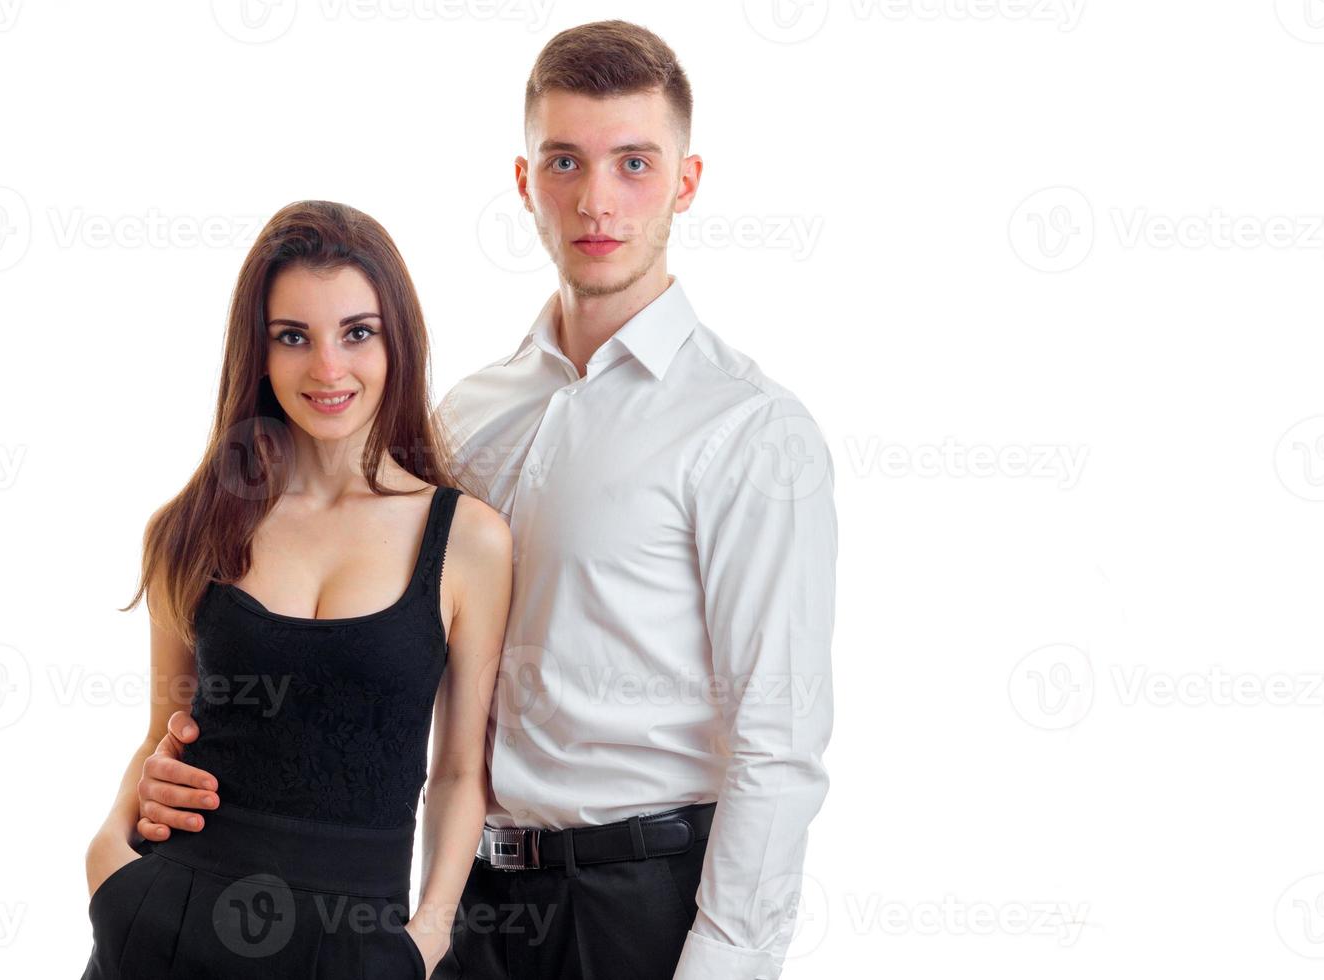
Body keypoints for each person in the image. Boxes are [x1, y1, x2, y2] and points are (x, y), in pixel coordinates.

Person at [135, 20, 838, 980]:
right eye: (565, 161)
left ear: (687, 181)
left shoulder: (748, 430)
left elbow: (780, 739)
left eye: (635, 162)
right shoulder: (468, 416)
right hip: (472, 901)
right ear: (525, 184)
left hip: (645, 903)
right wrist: (182, 766)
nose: (597, 200)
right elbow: (376, 655)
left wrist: (725, 961)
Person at [80, 199, 513, 978]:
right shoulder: (189, 528)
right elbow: (161, 740)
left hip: (354, 950)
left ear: (396, 341)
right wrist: (107, 858)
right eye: (293, 337)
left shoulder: (468, 540)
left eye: (357, 332)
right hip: (167, 929)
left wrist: (426, 941)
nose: (327, 368)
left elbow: (456, 772)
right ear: (259, 351)